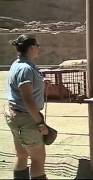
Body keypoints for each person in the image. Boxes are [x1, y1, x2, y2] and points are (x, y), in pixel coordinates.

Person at [5, 34, 48, 179]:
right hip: (27, 118)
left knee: (22, 155)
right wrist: (40, 123)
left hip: (15, 115)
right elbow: (28, 99)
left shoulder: (17, 64)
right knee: (37, 159)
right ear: (31, 48)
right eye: (37, 45)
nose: (39, 48)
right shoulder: (26, 69)